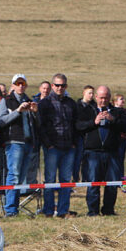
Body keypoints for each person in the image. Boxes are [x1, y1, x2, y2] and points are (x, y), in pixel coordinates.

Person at [76, 85, 126, 216]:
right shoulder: (88, 110)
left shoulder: (118, 112)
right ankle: (93, 211)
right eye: (101, 98)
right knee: (93, 183)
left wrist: (113, 120)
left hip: (112, 153)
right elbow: (78, 126)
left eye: (106, 98)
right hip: (92, 152)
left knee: (112, 183)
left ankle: (108, 210)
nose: (103, 101)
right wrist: (93, 122)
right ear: (96, 97)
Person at [0, 74, 38, 216]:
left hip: (28, 142)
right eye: (18, 83)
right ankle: (10, 210)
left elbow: (35, 124)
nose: (20, 86)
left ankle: (14, 208)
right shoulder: (6, 101)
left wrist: (34, 113)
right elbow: (1, 121)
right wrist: (18, 111)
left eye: (23, 83)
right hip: (14, 141)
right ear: (13, 85)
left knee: (21, 177)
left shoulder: (29, 100)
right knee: (13, 175)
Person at [38, 74, 77, 218]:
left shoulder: (71, 103)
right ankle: (48, 211)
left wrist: (73, 143)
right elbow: (40, 127)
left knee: (66, 181)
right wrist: (48, 145)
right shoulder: (45, 104)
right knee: (49, 180)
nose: (60, 88)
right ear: (52, 86)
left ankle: (62, 211)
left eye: (62, 85)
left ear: (66, 86)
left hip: (68, 148)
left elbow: (75, 125)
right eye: (57, 85)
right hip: (52, 148)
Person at [113, 94, 126, 177]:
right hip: (116, 140)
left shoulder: (125, 111)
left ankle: (121, 179)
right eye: (121, 99)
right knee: (115, 160)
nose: (123, 101)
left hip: (124, 139)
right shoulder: (113, 111)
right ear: (115, 102)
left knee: (121, 159)